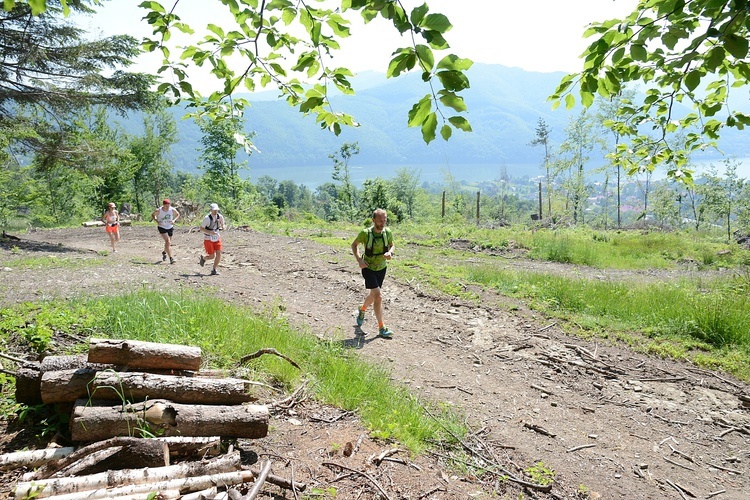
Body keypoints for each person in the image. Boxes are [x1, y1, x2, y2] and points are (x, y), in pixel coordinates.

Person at [351, 208, 395, 338]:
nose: (383, 223)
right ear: (373, 220)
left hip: (381, 268)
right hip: (368, 268)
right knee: (379, 296)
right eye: (380, 220)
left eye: (385, 220)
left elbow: (392, 245)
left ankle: (362, 309)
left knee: (373, 295)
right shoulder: (365, 233)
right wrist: (359, 260)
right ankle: (382, 327)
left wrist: (390, 252)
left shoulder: (387, 232)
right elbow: (354, 245)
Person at [198, 203, 225, 276]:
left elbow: (223, 225)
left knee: (219, 253)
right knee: (212, 256)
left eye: (216, 210)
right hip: (208, 238)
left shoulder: (220, 217)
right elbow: (201, 228)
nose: (215, 212)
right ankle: (203, 258)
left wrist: (223, 227)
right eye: (214, 210)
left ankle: (214, 269)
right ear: (210, 210)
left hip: (217, 237)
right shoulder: (207, 218)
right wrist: (210, 232)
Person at [151, 198, 180, 264]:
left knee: (168, 243)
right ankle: (171, 258)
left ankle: (164, 252)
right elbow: (153, 215)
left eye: (168, 205)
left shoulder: (172, 209)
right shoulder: (158, 210)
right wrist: (157, 221)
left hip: (170, 227)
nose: (167, 207)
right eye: (166, 206)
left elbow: (178, 214)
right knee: (168, 241)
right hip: (162, 227)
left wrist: (174, 220)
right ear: (163, 205)